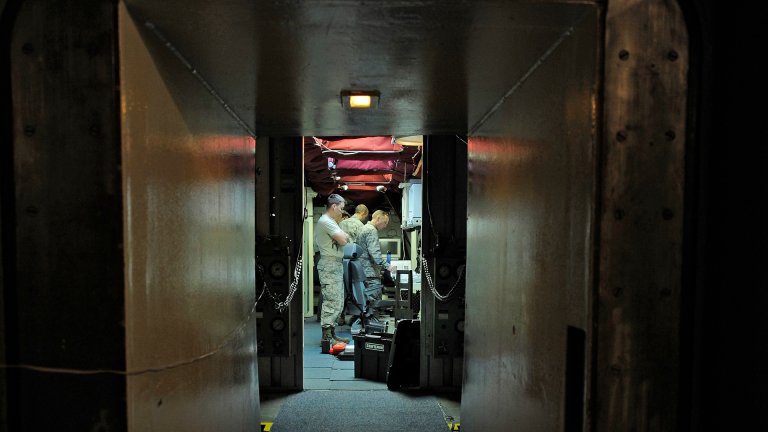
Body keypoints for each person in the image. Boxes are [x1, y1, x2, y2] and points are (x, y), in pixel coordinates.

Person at [314, 193, 351, 346]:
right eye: (341, 208)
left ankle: (331, 332)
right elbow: (343, 240)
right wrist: (343, 237)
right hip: (329, 264)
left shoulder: (331, 221)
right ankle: (326, 336)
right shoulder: (326, 221)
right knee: (331, 300)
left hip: (334, 263)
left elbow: (344, 238)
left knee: (337, 301)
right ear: (334, 206)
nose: (342, 211)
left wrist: (343, 236)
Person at [357, 209, 398, 305]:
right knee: (374, 301)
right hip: (369, 273)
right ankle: (372, 319)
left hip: (362, 270)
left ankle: (367, 319)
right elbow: (375, 253)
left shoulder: (363, 228)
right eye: (385, 223)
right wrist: (388, 266)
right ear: (378, 219)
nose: (385, 226)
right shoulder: (372, 230)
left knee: (364, 301)